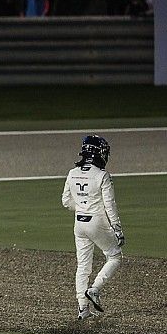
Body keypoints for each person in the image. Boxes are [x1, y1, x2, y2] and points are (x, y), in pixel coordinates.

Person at [61, 135, 125, 320]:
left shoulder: (72, 173)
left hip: (79, 224)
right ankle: (95, 289)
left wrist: (81, 206)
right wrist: (117, 229)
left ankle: (83, 310)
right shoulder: (102, 175)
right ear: (98, 153)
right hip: (97, 222)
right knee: (114, 256)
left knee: (83, 266)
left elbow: (65, 201)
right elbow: (109, 205)